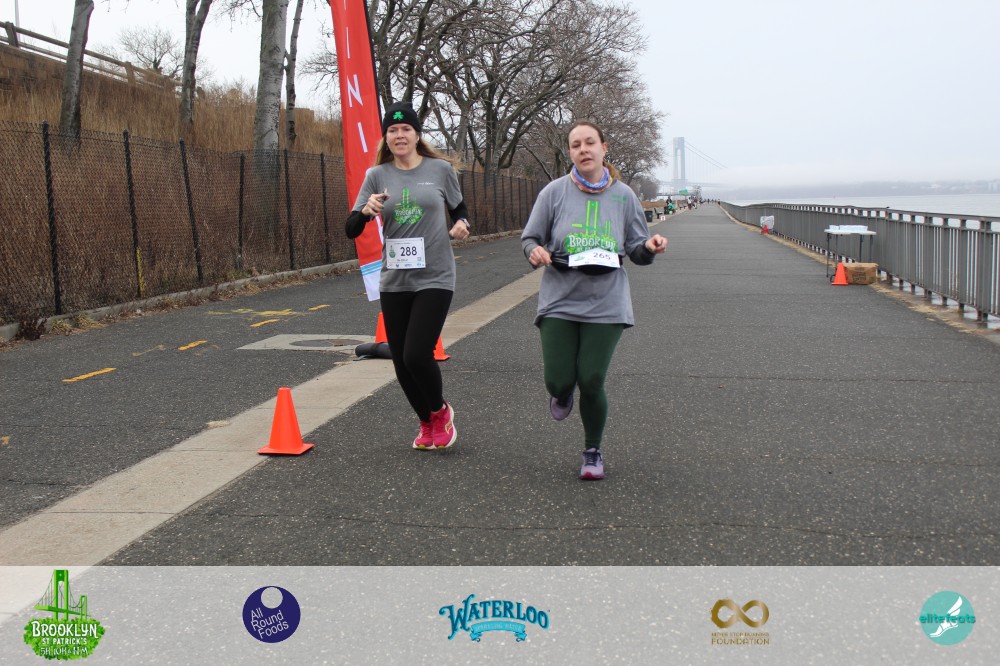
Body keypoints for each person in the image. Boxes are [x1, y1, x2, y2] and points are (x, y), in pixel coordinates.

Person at [521, 120, 667, 480]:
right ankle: (561, 392)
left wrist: (649, 247)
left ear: (604, 148)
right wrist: (535, 251)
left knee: (591, 379)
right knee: (559, 381)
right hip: (560, 297)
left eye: (590, 143)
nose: (583, 150)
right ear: (570, 152)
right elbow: (530, 238)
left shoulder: (624, 196)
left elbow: (637, 249)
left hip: (607, 300)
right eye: (576, 145)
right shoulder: (553, 193)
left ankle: (592, 451)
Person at [345, 101, 471, 450]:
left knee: (417, 354)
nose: (399, 135)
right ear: (386, 137)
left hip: (435, 276)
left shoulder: (440, 170)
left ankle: (440, 411)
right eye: (392, 130)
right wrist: (366, 212)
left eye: (406, 129)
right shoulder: (377, 175)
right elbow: (351, 228)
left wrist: (462, 223)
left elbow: (459, 207)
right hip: (395, 279)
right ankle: (426, 421)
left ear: (417, 135)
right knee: (401, 361)